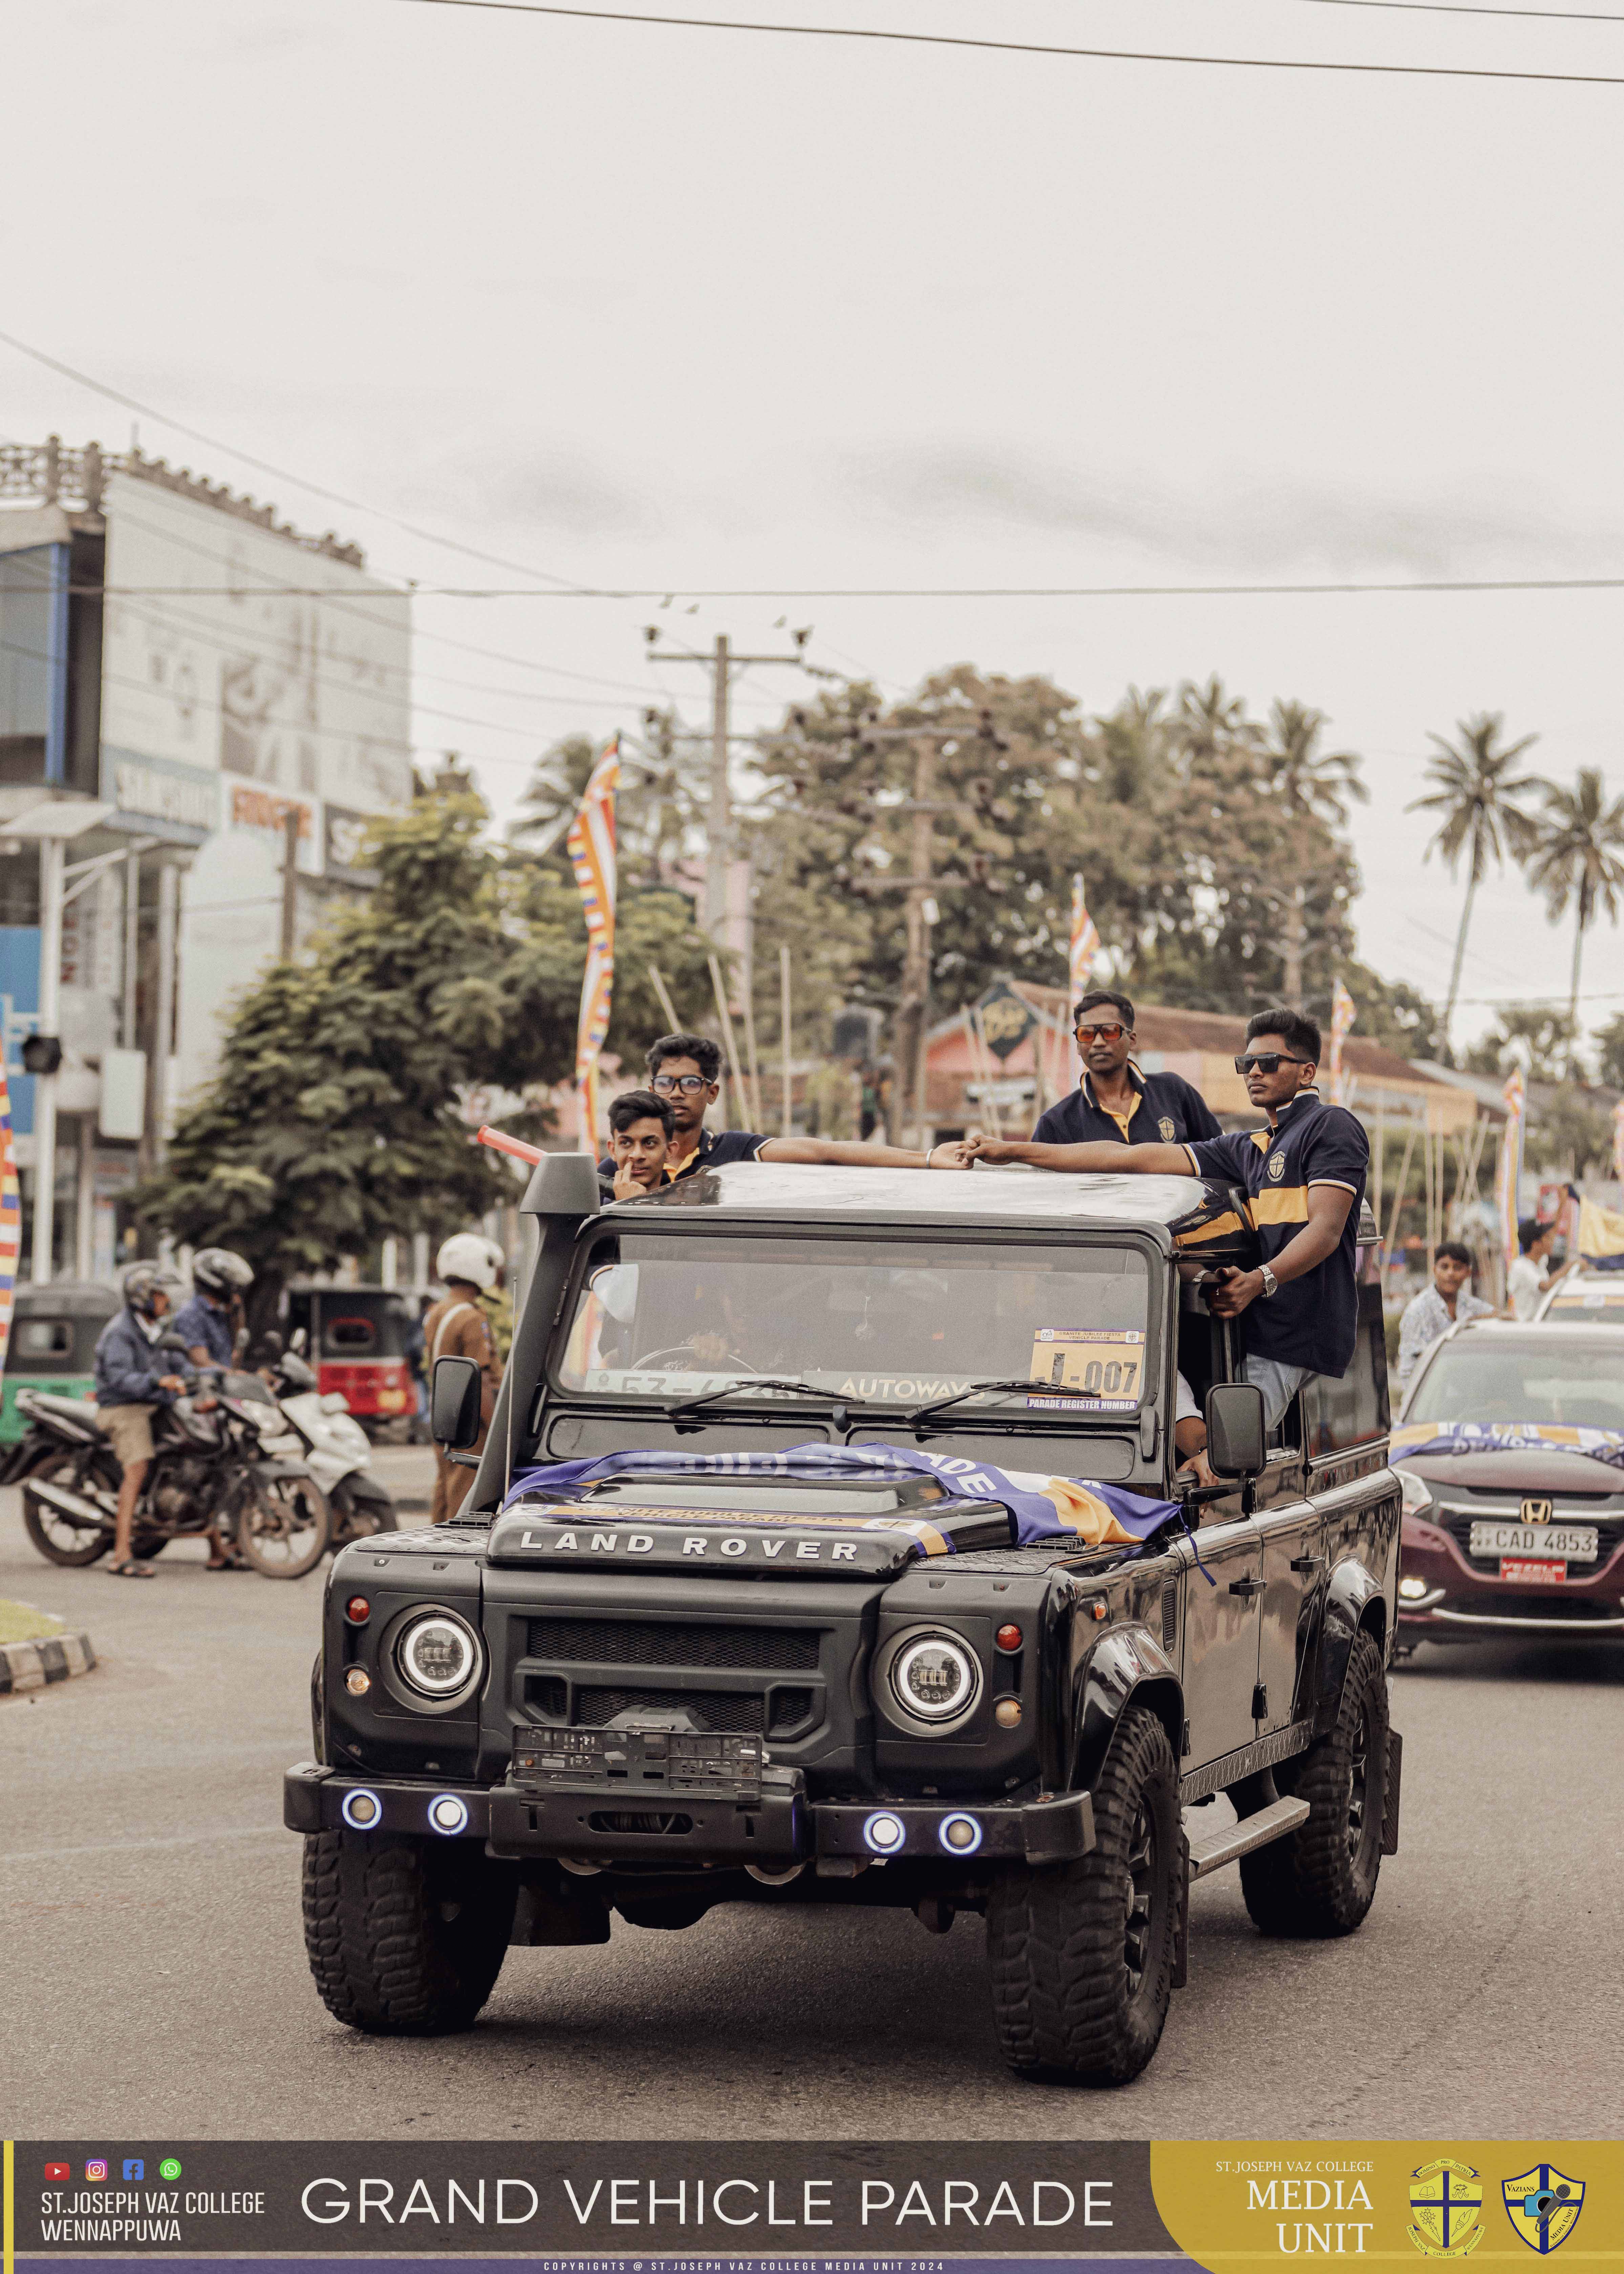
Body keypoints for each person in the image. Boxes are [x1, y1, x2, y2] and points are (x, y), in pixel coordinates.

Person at [965, 1006, 1369, 1430]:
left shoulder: (1330, 1125)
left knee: (1218, 1464)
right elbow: (1126, 1157)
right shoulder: (1248, 1147)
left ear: (1306, 1073)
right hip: (1260, 1332)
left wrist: (1258, 1280)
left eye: (1266, 1064)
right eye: (1245, 1064)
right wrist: (1010, 1151)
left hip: (1295, 1337)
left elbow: (1325, 1231)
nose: (1253, 1073)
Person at [601, 1033, 973, 1179]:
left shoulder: (734, 1153)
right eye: (666, 1083)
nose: (676, 1093)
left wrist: (926, 1160)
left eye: (691, 1083)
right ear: (652, 1087)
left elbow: (827, 1153)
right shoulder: (617, 1167)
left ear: (712, 1093)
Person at [93, 1264, 225, 1577]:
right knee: (137, 1467)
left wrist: (198, 1378)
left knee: (203, 1455)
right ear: (143, 1298)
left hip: (156, 1404)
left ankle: (219, 1550)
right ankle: (121, 1555)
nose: (166, 1301)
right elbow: (119, 1377)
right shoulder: (121, 1332)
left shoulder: (159, 1329)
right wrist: (158, 1381)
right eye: (160, 1295)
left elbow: (180, 1362)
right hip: (125, 1408)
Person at [1033, 988, 1222, 1150]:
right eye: (1087, 1034)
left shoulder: (1173, 1092)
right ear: (1077, 1045)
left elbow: (1221, 1155)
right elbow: (1039, 1187)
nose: (1098, 1042)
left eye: (1110, 1032)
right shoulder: (1057, 1123)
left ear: (1132, 1040)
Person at [423, 1233, 504, 1522]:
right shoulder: (471, 1317)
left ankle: (432, 1547)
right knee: (464, 1491)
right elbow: (480, 1378)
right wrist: (497, 1427)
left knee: (446, 1486)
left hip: (443, 1413)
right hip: (471, 1422)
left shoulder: (439, 1311)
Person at [1397, 1240, 1494, 1391]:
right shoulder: (1418, 1310)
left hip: (1468, 1394)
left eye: (1457, 1268)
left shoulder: (1471, 1306)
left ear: (1468, 1272)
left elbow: (1498, 1317)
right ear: (1435, 1270)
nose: (1451, 1273)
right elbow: (1409, 1370)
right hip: (1431, 1396)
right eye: (1445, 1267)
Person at [172, 1247, 254, 1370]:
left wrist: (236, 1311)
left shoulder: (217, 1314)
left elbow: (233, 1357)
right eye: (233, 1285)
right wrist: (238, 1377)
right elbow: (201, 1363)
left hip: (223, 1386)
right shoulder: (191, 1314)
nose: (236, 1291)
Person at [601, 1088, 676, 1199]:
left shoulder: (687, 1209)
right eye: (626, 1143)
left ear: (670, 1151)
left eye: (650, 1143)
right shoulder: (591, 1213)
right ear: (613, 1150)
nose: (637, 1155)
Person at [1505, 1216, 1572, 1322]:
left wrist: (1562, 1205)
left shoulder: (1541, 1262)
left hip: (1541, 1324)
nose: (1552, 1241)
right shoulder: (1521, 1267)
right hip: (1527, 1328)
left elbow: (1554, 1229)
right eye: (1547, 1238)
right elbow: (1545, 1286)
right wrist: (1569, 1267)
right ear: (1536, 1244)